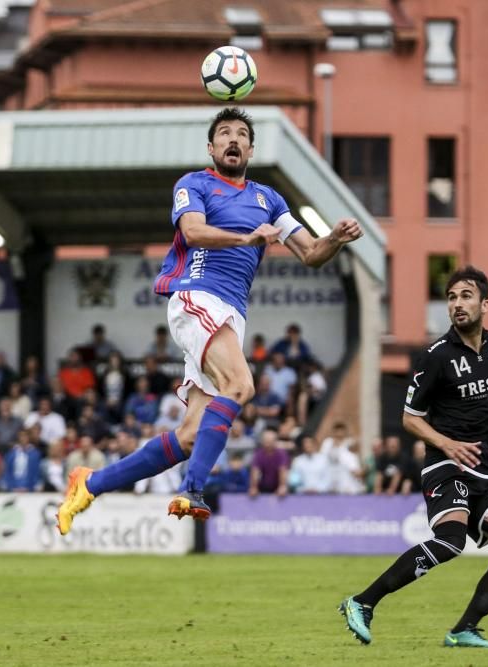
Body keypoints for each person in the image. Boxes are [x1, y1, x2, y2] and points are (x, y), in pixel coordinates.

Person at [57, 107, 363, 533]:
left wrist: (334, 238)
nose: (232, 139)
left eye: (241, 134)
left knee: (188, 436)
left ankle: (91, 483)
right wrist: (248, 237)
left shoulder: (269, 199)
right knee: (241, 384)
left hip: (230, 313)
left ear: (251, 150)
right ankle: (192, 490)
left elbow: (311, 254)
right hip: (196, 295)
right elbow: (194, 232)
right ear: (211, 147)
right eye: (224, 133)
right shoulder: (195, 184)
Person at [339, 266, 488, 649]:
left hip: (481, 469)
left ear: (485, 303)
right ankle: (362, 602)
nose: (457, 304)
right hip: (445, 465)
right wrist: (446, 444)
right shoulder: (436, 356)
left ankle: (463, 629)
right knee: (449, 542)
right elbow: (410, 419)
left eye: (465, 296)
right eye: (451, 297)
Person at [249, 428, 289, 497]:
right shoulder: (258, 454)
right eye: (266, 441)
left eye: (270, 442)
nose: (268, 444)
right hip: (263, 486)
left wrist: (282, 486)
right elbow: (255, 471)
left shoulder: (281, 453)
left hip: (277, 485)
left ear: (275, 442)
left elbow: (282, 470)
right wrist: (254, 487)